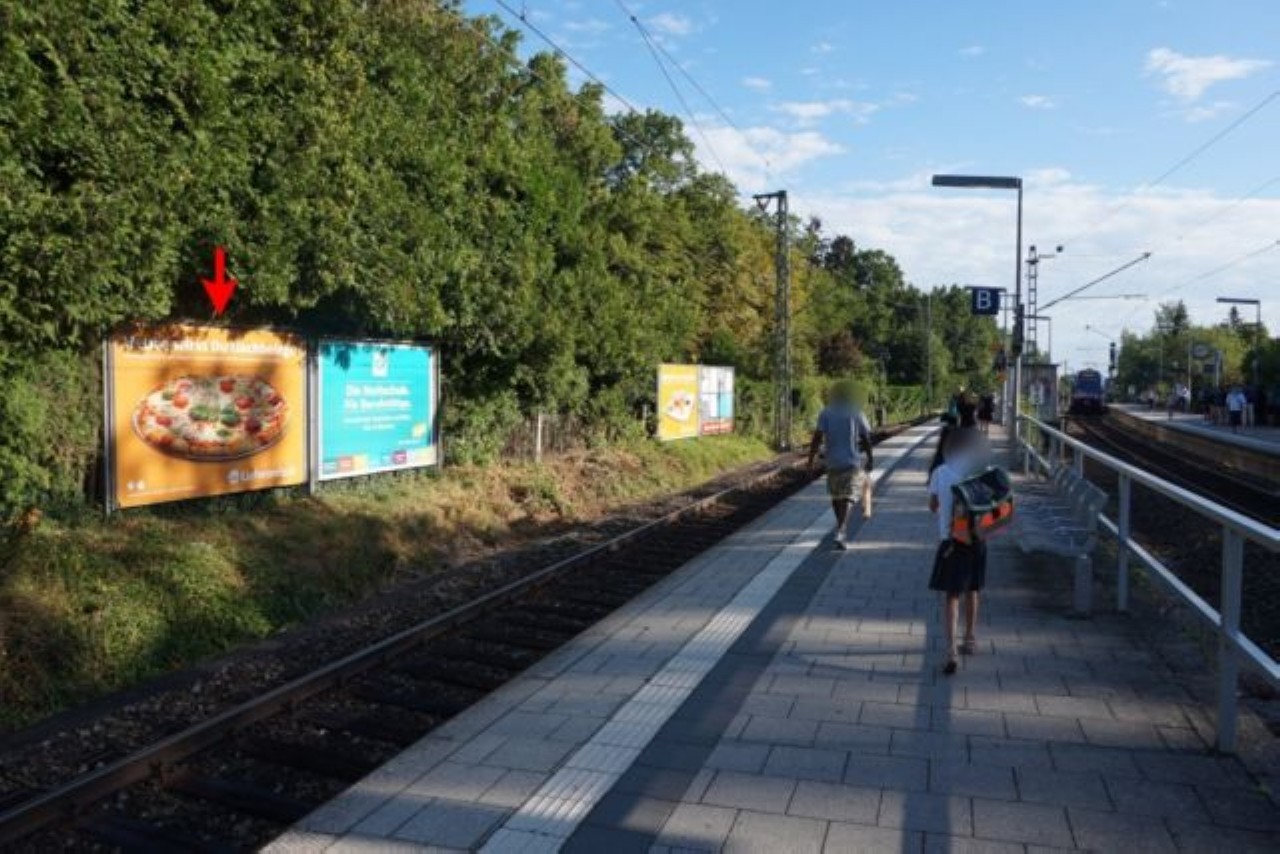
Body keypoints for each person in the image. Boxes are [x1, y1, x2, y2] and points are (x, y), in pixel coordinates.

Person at [928, 428, 987, 675]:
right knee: (973, 590)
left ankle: (951, 650)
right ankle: (970, 639)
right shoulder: (979, 471)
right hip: (978, 539)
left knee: (952, 596)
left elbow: (933, 506)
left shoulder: (940, 472)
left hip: (951, 541)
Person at [807, 381, 873, 550]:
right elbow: (865, 436)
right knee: (848, 496)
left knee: (837, 497)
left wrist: (811, 460)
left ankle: (841, 530)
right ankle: (842, 528)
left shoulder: (826, 412)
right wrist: (870, 457)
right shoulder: (856, 412)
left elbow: (817, 437)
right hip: (852, 461)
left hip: (832, 462)